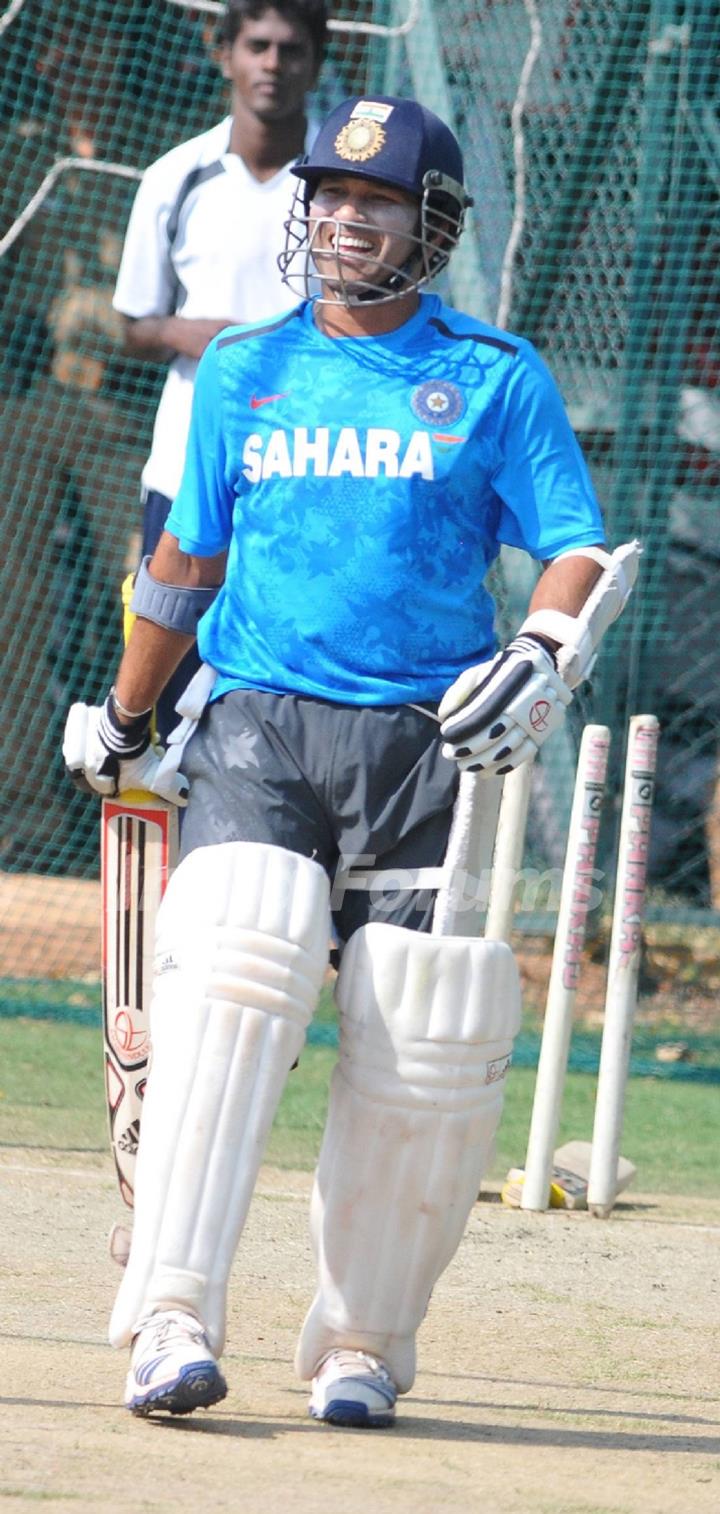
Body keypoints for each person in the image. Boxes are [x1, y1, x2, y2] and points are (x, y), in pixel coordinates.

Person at [63, 93, 638, 1426]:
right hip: (264, 724)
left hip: (427, 745)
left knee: (419, 1039)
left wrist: (545, 652)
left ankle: (362, 1337)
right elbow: (183, 562)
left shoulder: (495, 376)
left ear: (429, 226)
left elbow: (573, 544)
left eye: (375, 202)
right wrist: (129, 715)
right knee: (229, 984)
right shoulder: (245, 373)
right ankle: (171, 1314)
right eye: (327, 194)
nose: (341, 219)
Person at [112, 0, 328, 734]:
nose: (273, 64)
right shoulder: (176, 177)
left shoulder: (342, 193)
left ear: (316, 60)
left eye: (290, 49)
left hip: (310, 468)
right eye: (257, 46)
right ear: (224, 53)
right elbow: (133, 325)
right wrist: (209, 335)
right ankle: (167, 847)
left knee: (284, 691)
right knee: (166, 684)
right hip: (185, 471)